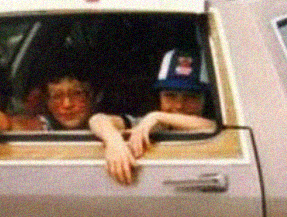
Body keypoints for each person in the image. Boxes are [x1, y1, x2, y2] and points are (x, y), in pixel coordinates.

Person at [90, 49, 216, 185]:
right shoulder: (154, 125)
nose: (179, 105)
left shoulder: (156, 120)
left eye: (191, 96)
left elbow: (211, 125)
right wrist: (113, 141)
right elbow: (97, 119)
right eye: (170, 95)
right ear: (159, 97)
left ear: (205, 99)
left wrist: (157, 116)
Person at [0, 59, 126, 133]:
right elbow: (6, 123)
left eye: (77, 94)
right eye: (56, 97)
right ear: (46, 101)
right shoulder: (42, 126)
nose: (67, 104)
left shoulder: (119, 121)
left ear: (95, 96)